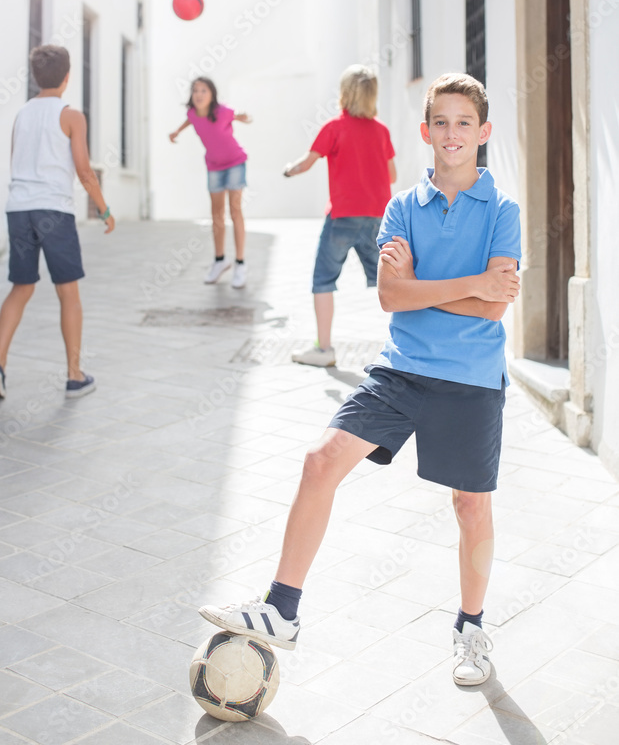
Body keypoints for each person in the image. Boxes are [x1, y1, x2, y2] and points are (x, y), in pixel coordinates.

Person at [199, 73, 521, 687]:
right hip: (402, 370)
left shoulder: (502, 211)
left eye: (464, 123)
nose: (452, 135)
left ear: (483, 132)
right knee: (321, 459)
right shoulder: (401, 206)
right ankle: (281, 610)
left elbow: (493, 308)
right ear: (425, 133)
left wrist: (429, 290)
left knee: (470, 507)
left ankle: (470, 629)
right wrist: (469, 282)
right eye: (441, 123)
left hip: (472, 380)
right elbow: (389, 294)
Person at [0, 44, 115, 401]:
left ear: (35, 76)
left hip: (19, 208)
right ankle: (74, 376)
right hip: (54, 211)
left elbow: (16, 163)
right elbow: (85, 171)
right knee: (67, 292)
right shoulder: (71, 115)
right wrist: (104, 210)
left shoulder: (22, 115)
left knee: (21, 287)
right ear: (68, 77)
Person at [284, 65, 396, 367]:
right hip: (377, 217)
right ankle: (409, 348)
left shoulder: (334, 128)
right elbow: (392, 174)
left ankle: (324, 350)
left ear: (344, 94)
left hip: (343, 216)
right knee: (390, 283)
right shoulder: (381, 131)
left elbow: (306, 163)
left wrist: (289, 169)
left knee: (323, 279)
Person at [169, 77, 251, 288]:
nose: (199, 94)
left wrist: (244, 117)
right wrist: (177, 131)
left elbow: (237, 114)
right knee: (216, 215)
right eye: (195, 90)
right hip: (214, 166)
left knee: (235, 211)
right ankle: (220, 260)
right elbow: (190, 120)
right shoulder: (192, 114)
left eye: (204, 90)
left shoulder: (223, 112)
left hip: (235, 163)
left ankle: (240, 264)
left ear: (212, 94)